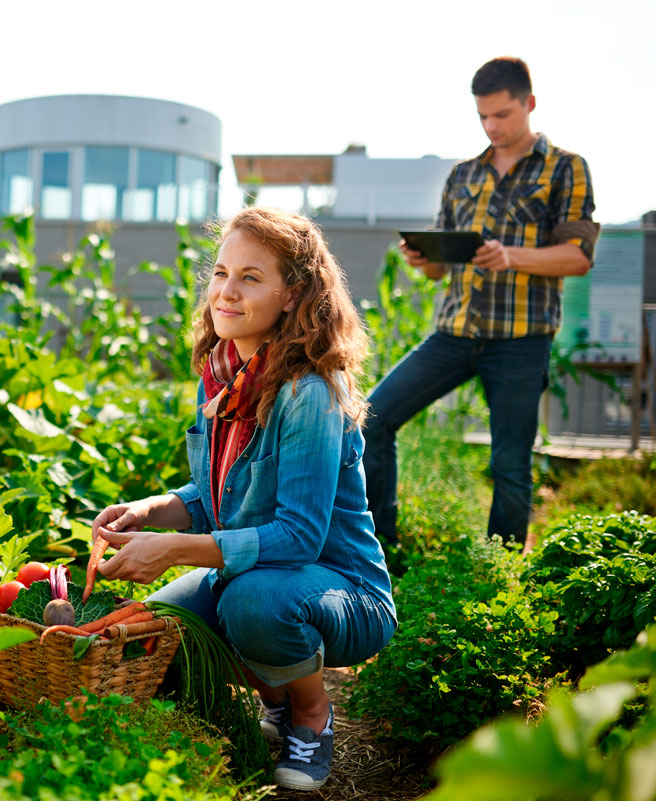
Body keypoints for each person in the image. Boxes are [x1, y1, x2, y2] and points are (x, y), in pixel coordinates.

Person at [91, 207, 396, 791]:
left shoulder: (308, 392)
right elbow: (218, 495)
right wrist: (153, 512)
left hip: (341, 589)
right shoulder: (225, 376)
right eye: (221, 273)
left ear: (293, 294)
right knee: (162, 632)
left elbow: (299, 537)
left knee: (253, 604)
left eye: (251, 278)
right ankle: (275, 690)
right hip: (258, 573)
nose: (226, 292)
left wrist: (175, 550)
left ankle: (310, 713)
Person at [362, 57, 599, 547]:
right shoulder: (463, 175)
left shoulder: (566, 168)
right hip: (454, 334)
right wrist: (423, 258)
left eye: (503, 115)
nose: (493, 126)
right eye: (483, 117)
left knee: (510, 464)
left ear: (529, 104)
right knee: (370, 420)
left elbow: (577, 257)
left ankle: (501, 569)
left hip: (520, 341)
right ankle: (380, 550)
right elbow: (438, 269)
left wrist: (510, 256)